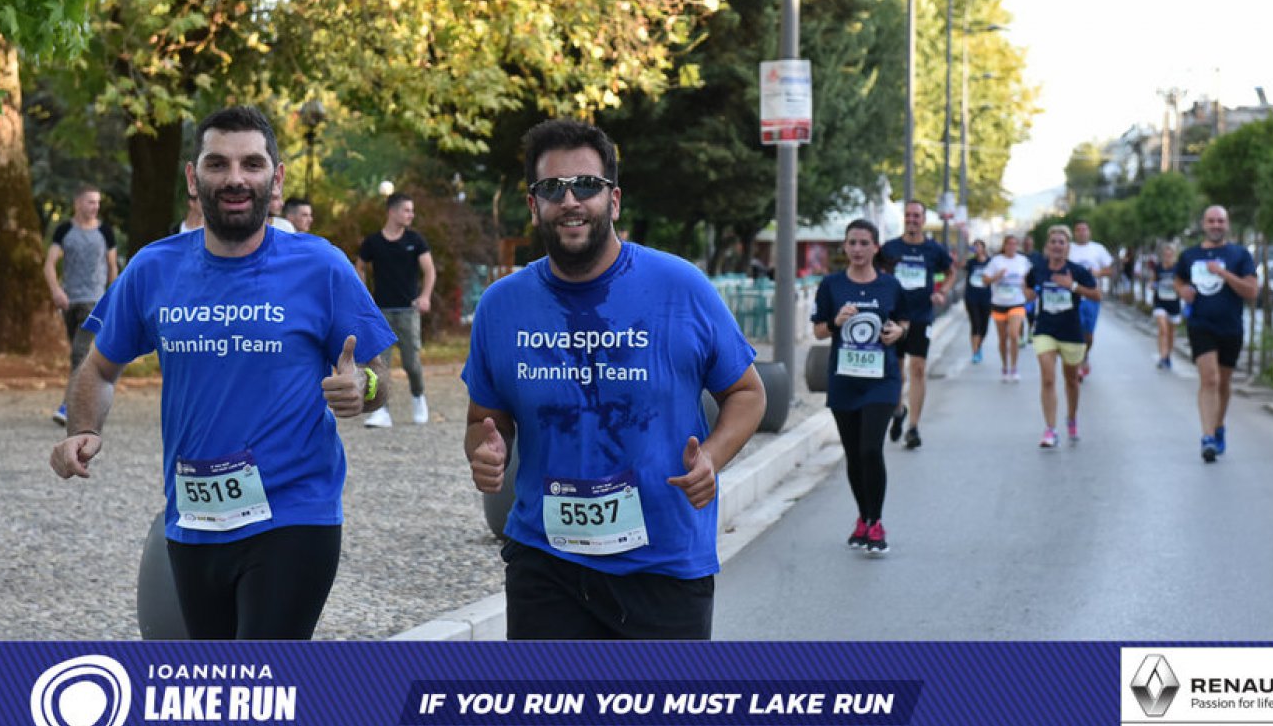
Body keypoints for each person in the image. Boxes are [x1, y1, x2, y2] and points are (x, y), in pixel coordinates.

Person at [48, 105, 395, 639]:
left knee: (262, 672)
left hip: (294, 514)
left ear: (276, 179)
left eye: (252, 164)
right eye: (218, 164)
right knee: (217, 678)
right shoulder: (153, 268)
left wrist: (364, 387)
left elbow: (377, 373)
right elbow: (97, 368)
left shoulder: (320, 266)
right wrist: (84, 429)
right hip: (193, 518)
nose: (236, 178)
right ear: (193, 178)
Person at [462, 118, 765, 640]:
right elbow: (484, 420)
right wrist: (486, 452)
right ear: (534, 205)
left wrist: (712, 459)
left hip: (663, 566)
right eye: (552, 189)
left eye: (587, 185)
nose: (570, 201)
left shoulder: (681, 288)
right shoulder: (501, 306)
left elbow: (747, 392)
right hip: (545, 563)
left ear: (615, 200)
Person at [812, 219, 908, 555]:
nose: (857, 249)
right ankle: (863, 517)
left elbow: (904, 322)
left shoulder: (890, 285)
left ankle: (877, 522)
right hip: (844, 380)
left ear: (875, 247)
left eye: (864, 243)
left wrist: (899, 332)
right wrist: (836, 322)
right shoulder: (831, 285)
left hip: (881, 380)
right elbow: (818, 331)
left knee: (870, 449)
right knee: (853, 455)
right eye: (852, 242)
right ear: (844, 246)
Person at [1174, 205, 1258, 463]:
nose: (1216, 225)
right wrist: (1182, 291)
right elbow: (1178, 279)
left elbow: (1251, 291)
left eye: (1220, 221)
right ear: (1204, 224)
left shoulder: (1239, 255)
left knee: (1223, 382)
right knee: (1209, 379)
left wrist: (1223, 273)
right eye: (1211, 221)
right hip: (1201, 324)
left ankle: (1219, 425)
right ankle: (1208, 437)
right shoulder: (1190, 255)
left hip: (1230, 326)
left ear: (1227, 224)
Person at [357, 193, 436, 427]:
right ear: (392, 211)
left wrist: (425, 296)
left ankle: (418, 397)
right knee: (380, 365)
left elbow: (429, 270)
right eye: (407, 210)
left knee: (412, 363)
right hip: (381, 313)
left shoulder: (415, 240)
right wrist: (364, 298)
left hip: (408, 311)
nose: (411, 215)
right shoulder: (373, 242)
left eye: (412, 210)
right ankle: (381, 411)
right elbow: (359, 268)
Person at [879, 200, 953, 450]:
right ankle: (898, 410)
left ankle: (913, 427)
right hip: (894, 316)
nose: (912, 220)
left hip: (921, 316)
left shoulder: (934, 249)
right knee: (896, 371)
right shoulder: (890, 248)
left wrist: (942, 291)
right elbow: (876, 271)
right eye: (908, 215)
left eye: (916, 216)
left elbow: (951, 272)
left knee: (918, 368)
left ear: (923, 219)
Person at [43, 184, 119, 426]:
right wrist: (56, 291)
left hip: (94, 302)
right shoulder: (64, 230)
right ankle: (94, 398)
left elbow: (112, 267)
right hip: (69, 302)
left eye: (98, 202)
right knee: (81, 356)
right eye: (91, 202)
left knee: (79, 353)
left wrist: (112, 299)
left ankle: (68, 406)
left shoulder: (105, 232)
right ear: (77, 203)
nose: (96, 206)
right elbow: (49, 264)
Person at [1024, 225, 1100, 448]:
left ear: (1067, 247)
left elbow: (1097, 295)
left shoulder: (1078, 271)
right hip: (1045, 329)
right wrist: (1029, 294)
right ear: (1047, 246)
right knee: (1048, 379)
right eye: (1053, 242)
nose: (1057, 246)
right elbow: (1027, 288)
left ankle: (1072, 418)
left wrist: (1073, 286)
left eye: (1061, 242)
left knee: (1072, 382)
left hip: (1071, 331)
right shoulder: (1038, 269)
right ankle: (1050, 429)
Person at [982, 234, 1032, 382]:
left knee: (1014, 335)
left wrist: (1027, 288)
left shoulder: (1023, 261)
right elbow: (985, 280)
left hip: (1017, 302)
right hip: (999, 303)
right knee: (1003, 338)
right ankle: (1005, 366)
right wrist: (996, 277)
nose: (1012, 247)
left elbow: (1030, 278)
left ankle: (1014, 367)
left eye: (1014, 244)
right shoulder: (996, 261)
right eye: (1009, 244)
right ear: (1004, 246)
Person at [1068, 220, 1114, 379]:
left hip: (1092, 296)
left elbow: (1110, 270)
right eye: (1078, 230)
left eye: (1084, 229)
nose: (1082, 232)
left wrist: (1098, 273)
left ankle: (1084, 355)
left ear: (1089, 232)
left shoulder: (1098, 249)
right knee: (1077, 329)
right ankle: (1077, 363)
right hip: (1073, 296)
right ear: (1074, 233)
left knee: (1088, 334)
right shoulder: (1069, 249)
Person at [1150, 243, 1182, 370]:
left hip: (1174, 303)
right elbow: (1152, 282)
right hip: (1160, 302)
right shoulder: (1158, 267)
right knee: (1163, 329)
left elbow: (1183, 284)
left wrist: (1177, 287)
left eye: (1170, 254)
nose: (1168, 256)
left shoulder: (1178, 268)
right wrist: (1154, 285)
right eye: (1166, 254)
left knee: (1171, 333)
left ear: (1174, 255)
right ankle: (1162, 357)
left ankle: (1168, 355)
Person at [961, 239, 992, 364]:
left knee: (984, 327)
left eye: (979, 246)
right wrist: (968, 254)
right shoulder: (971, 262)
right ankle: (975, 352)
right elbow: (961, 265)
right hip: (971, 297)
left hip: (986, 297)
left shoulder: (990, 262)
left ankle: (979, 346)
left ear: (983, 248)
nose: (977, 249)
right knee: (975, 324)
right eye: (975, 247)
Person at [1021, 232, 1041, 347]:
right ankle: (1020, 336)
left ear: (1032, 244)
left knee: (1030, 312)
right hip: (1020, 289)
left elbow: (1041, 271)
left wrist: (1037, 287)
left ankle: (1030, 330)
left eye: (1029, 243)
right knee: (1019, 312)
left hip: (1033, 289)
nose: (1028, 245)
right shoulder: (1019, 256)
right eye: (1026, 243)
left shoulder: (1038, 256)